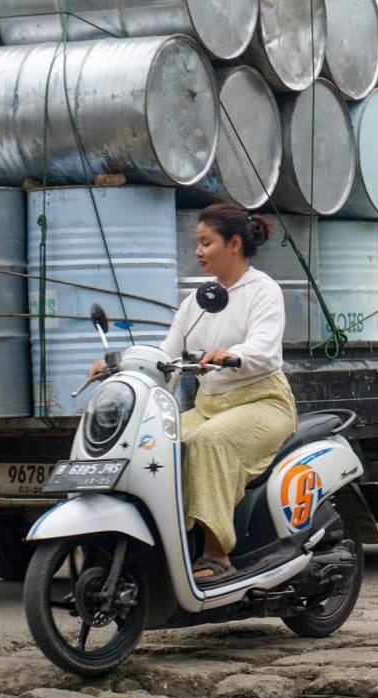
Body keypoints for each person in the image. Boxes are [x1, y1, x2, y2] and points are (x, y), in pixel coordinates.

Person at [88, 203, 296, 584]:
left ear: (234, 243)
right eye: (196, 243)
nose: (198, 252)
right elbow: (164, 356)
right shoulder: (198, 301)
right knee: (150, 444)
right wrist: (119, 366)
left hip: (262, 403)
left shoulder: (263, 291)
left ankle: (217, 553)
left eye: (206, 243)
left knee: (207, 441)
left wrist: (234, 354)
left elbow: (265, 348)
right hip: (209, 405)